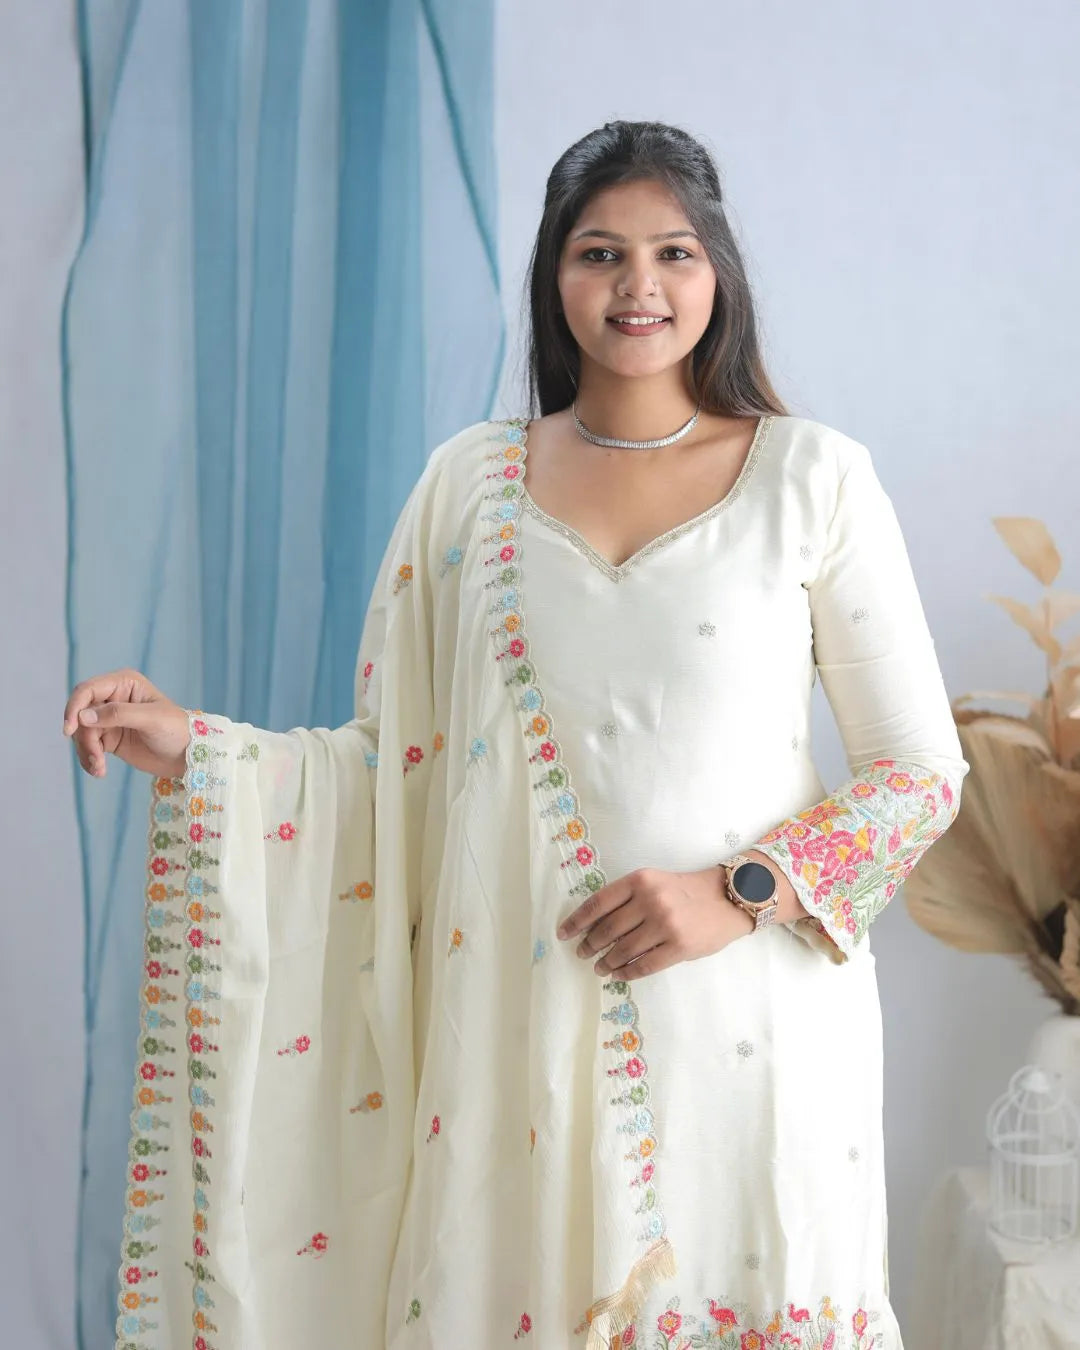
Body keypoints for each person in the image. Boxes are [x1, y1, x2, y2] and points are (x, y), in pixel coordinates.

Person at [63, 120, 967, 1350]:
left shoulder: (811, 478)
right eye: (601, 253)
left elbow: (920, 776)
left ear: (720, 274)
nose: (639, 288)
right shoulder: (470, 489)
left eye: (674, 253)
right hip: (514, 1052)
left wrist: (742, 889)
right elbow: (392, 778)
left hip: (747, 1031)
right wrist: (200, 753)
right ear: (554, 275)